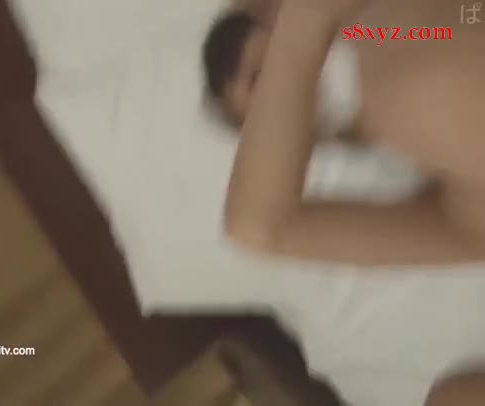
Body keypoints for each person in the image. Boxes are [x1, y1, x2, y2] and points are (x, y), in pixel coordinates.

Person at [203, 0, 485, 404]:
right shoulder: (455, 211)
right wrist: (300, 28)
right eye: (270, 109)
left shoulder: (398, 45)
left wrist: (304, 24)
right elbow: (256, 226)